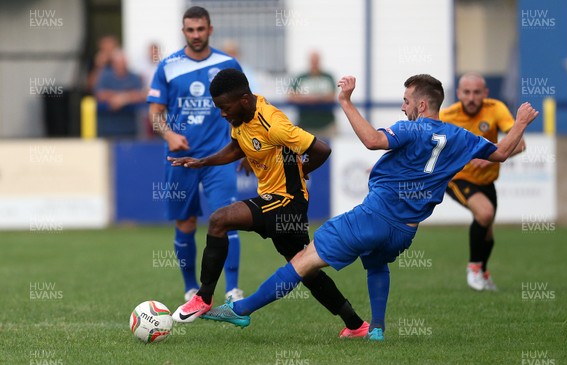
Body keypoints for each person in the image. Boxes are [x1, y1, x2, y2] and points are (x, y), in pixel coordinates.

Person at [200, 74, 538, 341]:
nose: (403, 107)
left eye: (406, 101)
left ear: (421, 104)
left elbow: (373, 141)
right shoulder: (462, 137)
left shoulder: (412, 129)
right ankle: (375, 328)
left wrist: (345, 101)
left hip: (373, 217)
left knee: (302, 261)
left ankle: (241, 309)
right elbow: (503, 152)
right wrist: (521, 121)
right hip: (404, 232)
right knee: (376, 263)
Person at [168, 68, 370, 339]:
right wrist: (203, 161)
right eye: (218, 108)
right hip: (276, 200)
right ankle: (356, 325)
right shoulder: (241, 116)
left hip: (287, 202)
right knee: (305, 268)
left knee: (219, 219)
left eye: (224, 108)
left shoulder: (274, 123)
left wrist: (302, 169)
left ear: (242, 99)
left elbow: (322, 149)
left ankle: (203, 298)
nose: (222, 114)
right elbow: (238, 145)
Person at [147, 6, 243, 302]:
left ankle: (233, 289)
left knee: (226, 218)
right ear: (183, 31)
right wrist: (169, 134)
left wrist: (248, 151)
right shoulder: (168, 66)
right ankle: (191, 288)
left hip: (220, 158)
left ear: (210, 29)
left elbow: (244, 110)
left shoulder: (228, 64)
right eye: (190, 30)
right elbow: (154, 114)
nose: (196, 35)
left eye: (201, 29)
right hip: (181, 160)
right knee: (185, 223)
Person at [440, 72, 526, 291]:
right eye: (466, 92)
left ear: (485, 93)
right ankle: (474, 269)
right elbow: (420, 140)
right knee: (485, 213)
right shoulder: (447, 116)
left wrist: (489, 160)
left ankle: (484, 273)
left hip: (487, 181)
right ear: (458, 93)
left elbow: (520, 144)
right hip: (458, 178)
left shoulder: (496, 108)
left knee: (487, 231)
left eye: (476, 92)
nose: (471, 97)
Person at [94, 50, 146, 138]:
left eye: (123, 62)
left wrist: (124, 98)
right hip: (107, 127)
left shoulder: (134, 77)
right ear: (113, 63)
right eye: (118, 63)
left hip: (131, 128)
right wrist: (118, 97)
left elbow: (141, 95)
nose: (121, 65)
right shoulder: (105, 76)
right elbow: (100, 94)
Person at [287, 51, 337, 139]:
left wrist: (316, 98)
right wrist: (307, 98)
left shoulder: (328, 77)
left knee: (327, 150)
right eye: (312, 61)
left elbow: (332, 96)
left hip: (326, 124)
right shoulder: (301, 77)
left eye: (316, 61)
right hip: (305, 124)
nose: (314, 63)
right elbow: (291, 95)